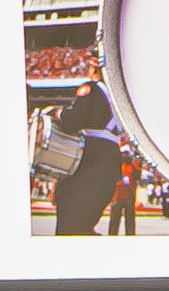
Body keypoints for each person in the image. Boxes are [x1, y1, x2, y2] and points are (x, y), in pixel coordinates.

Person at [46, 85, 135, 236]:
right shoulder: (121, 93)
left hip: (91, 159)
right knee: (83, 227)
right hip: (109, 160)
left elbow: (72, 121)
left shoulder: (92, 89)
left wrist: (57, 113)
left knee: (71, 230)